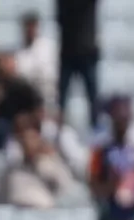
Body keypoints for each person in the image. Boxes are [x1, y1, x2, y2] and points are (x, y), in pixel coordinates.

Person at [0, 124, 71, 209]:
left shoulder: (50, 165)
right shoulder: (13, 169)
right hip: (17, 213)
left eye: (33, 139)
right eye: (24, 139)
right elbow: (3, 197)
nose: (28, 143)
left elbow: (65, 189)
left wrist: (47, 162)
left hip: (44, 212)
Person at [56, 0, 100, 128]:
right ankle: (60, 127)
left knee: (92, 97)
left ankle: (95, 126)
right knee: (62, 98)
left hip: (86, 51)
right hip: (68, 51)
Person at [15, 11, 58, 111]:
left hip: (48, 99)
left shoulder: (48, 47)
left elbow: (48, 74)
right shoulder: (19, 51)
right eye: (27, 26)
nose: (29, 30)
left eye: (32, 26)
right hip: (26, 101)